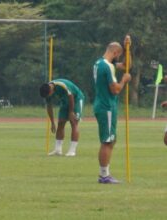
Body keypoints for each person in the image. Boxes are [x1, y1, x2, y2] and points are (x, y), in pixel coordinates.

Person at [93, 35, 132, 184]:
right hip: (106, 106)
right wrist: (124, 80)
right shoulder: (107, 66)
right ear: (115, 53)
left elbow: (127, 66)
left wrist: (127, 47)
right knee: (107, 141)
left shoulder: (99, 63)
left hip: (103, 105)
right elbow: (115, 89)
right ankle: (104, 176)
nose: (119, 59)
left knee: (111, 139)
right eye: (119, 55)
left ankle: (105, 174)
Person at [40, 79, 85, 156]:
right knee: (60, 123)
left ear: (51, 90)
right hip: (65, 101)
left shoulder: (62, 85)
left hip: (76, 99)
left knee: (74, 123)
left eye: (48, 95)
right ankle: (58, 150)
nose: (48, 97)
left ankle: (72, 151)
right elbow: (49, 107)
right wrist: (52, 122)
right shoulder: (47, 90)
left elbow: (71, 97)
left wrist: (71, 112)